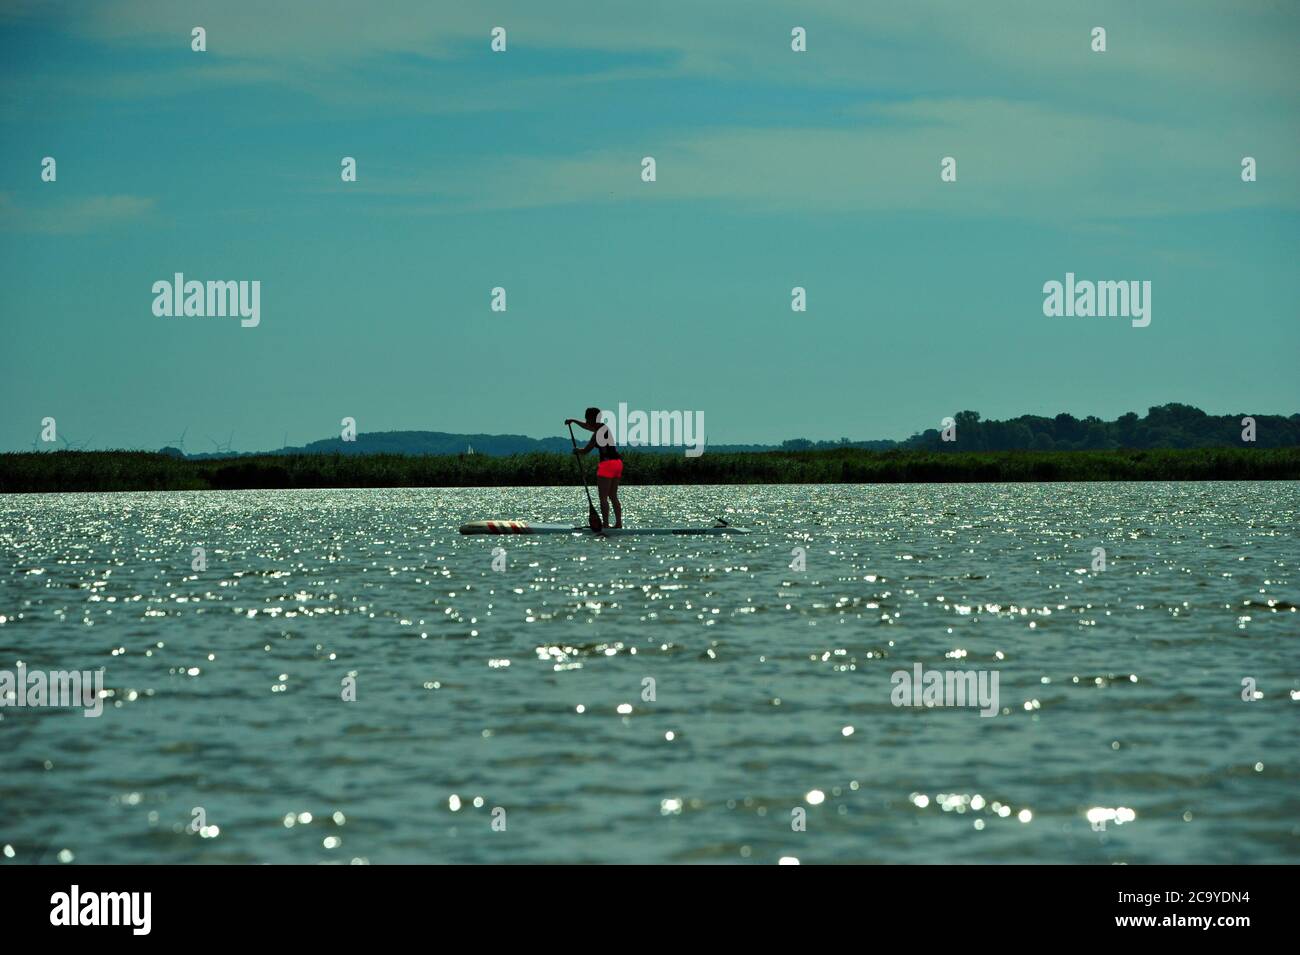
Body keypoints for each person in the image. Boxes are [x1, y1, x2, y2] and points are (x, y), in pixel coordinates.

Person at [566, 408, 622, 529]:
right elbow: (587, 426)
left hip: (607, 464)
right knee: (612, 495)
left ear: (591, 419)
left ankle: (606, 525)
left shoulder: (597, 434)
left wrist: (577, 451)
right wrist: (573, 421)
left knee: (603, 497)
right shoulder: (604, 427)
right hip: (617, 463)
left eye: (587, 418)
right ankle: (618, 524)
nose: (586, 421)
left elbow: (586, 451)